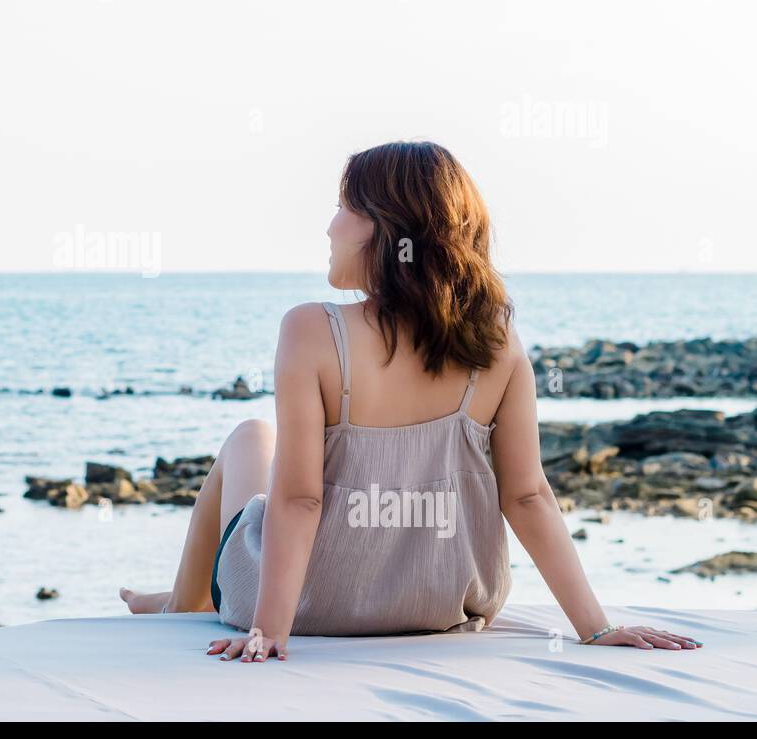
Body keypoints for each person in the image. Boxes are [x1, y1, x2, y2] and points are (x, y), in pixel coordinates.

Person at [120, 141, 701, 662]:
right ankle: (173, 599)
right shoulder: (497, 342)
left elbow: (299, 500)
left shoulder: (309, 329)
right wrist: (595, 629)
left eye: (344, 208)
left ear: (385, 226)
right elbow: (526, 496)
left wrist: (270, 631)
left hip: (305, 604)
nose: (329, 226)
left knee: (249, 437)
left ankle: (179, 604)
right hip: (442, 602)